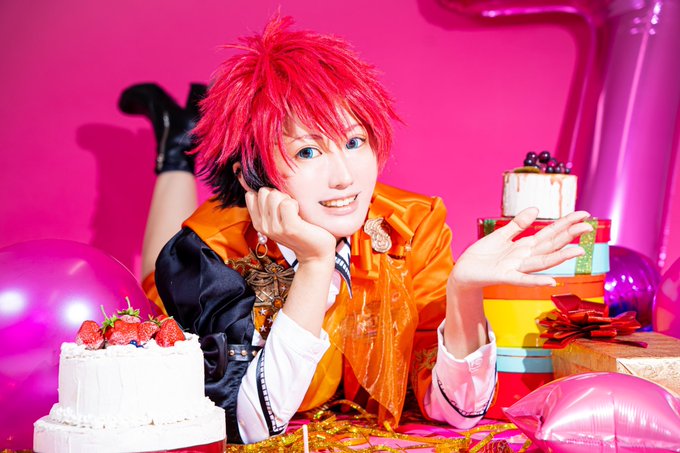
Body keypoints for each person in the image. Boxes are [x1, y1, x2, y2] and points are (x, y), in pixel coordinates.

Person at [121, 16, 593, 445]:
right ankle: (178, 146)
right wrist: (315, 264)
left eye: (353, 141)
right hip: (204, 259)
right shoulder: (205, 252)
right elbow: (247, 424)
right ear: (254, 174)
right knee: (149, 276)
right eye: (308, 152)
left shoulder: (411, 224)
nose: (344, 177)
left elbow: (458, 413)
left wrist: (464, 294)